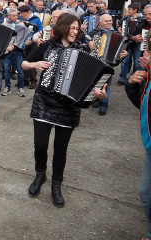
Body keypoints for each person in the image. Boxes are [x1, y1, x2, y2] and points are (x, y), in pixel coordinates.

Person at [21, 12, 107, 208]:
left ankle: (56, 185)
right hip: (43, 103)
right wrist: (35, 64)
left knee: (61, 149)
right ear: (63, 27)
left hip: (69, 107)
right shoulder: (47, 46)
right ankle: (40, 175)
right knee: (40, 146)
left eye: (78, 29)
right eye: (73, 28)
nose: (75, 32)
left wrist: (98, 95)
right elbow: (24, 63)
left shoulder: (83, 49)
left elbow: (93, 79)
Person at [125, 36, 151, 240]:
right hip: (149, 146)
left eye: (148, 51)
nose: (144, 54)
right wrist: (132, 84)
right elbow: (142, 107)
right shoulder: (148, 74)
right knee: (146, 194)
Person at [87, 14, 128, 115]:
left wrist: (125, 53)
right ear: (100, 22)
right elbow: (85, 40)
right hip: (95, 62)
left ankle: (103, 106)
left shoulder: (118, 35)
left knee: (106, 84)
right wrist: (89, 43)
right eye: (106, 21)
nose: (109, 22)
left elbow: (123, 49)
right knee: (95, 82)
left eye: (110, 20)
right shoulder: (94, 32)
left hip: (108, 64)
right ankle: (97, 99)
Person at [1, 8, 30, 96]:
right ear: (8, 16)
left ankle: (20, 88)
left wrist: (26, 42)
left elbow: (24, 37)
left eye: (16, 15)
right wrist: (6, 47)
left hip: (18, 50)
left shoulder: (21, 24)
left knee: (20, 70)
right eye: (13, 16)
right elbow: (1, 39)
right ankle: (7, 87)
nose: (15, 17)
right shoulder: (4, 25)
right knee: (6, 69)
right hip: (7, 51)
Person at [18, 5, 43, 90]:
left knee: (31, 61)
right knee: (23, 61)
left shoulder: (36, 20)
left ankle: (33, 81)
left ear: (27, 12)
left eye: (21, 13)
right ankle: (25, 80)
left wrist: (32, 39)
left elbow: (41, 31)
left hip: (33, 44)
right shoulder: (22, 20)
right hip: (23, 43)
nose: (20, 15)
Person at [118, 2, 143, 85]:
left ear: (135, 10)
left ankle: (134, 77)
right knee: (125, 60)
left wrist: (141, 36)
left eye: (129, 9)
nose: (128, 11)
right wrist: (119, 28)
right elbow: (120, 25)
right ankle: (123, 77)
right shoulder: (126, 19)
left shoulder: (142, 19)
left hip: (137, 43)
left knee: (137, 62)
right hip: (127, 43)